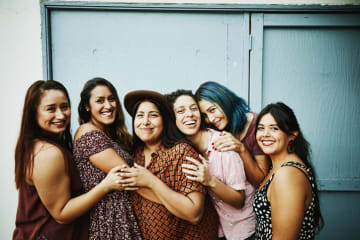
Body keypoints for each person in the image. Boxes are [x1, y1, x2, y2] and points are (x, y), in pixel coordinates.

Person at [13, 80, 126, 239]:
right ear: (34, 112)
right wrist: (105, 186)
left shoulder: (45, 145)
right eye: (51, 109)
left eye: (64, 107)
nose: (60, 115)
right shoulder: (48, 154)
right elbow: (61, 213)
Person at [119, 90, 219, 240]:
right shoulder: (135, 155)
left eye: (153, 115)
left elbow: (194, 213)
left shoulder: (182, 152)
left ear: (165, 120)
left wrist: (151, 181)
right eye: (140, 115)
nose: (145, 121)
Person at [166, 89, 256, 240]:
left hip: (244, 230)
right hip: (220, 230)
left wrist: (210, 181)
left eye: (193, 108)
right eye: (180, 111)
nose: (189, 114)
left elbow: (239, 200)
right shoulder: (183, 150)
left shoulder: (222, 145)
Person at [73, 77, 143, 239]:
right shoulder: (88, 132)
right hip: (109, 221)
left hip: (124, 217)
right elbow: (129, 177)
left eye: (111, 99)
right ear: (87, 106)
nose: (108, 105)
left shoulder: (113, 135)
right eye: (100, 100)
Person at [254, 102, 324, 240]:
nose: (265, 134)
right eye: (261, 128)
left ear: (292, 134)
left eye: (274, 128)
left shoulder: (287, 174)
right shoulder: (276, 167)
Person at [195, 81, 270, 188]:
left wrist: (241, 149)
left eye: (212, 110)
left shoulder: (257, 125)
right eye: (205, 115)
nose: (210, 119)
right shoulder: (214, 131)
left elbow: (261, 182)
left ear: (225, 101)